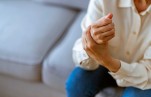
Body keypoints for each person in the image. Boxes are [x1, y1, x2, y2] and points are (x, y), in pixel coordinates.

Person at [66, 0, 151, 97]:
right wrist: (91, 45)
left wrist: (107, 61)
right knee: (76, 85)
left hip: (143, 71)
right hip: (103, 65)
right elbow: (80, 55)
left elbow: (149, 74)